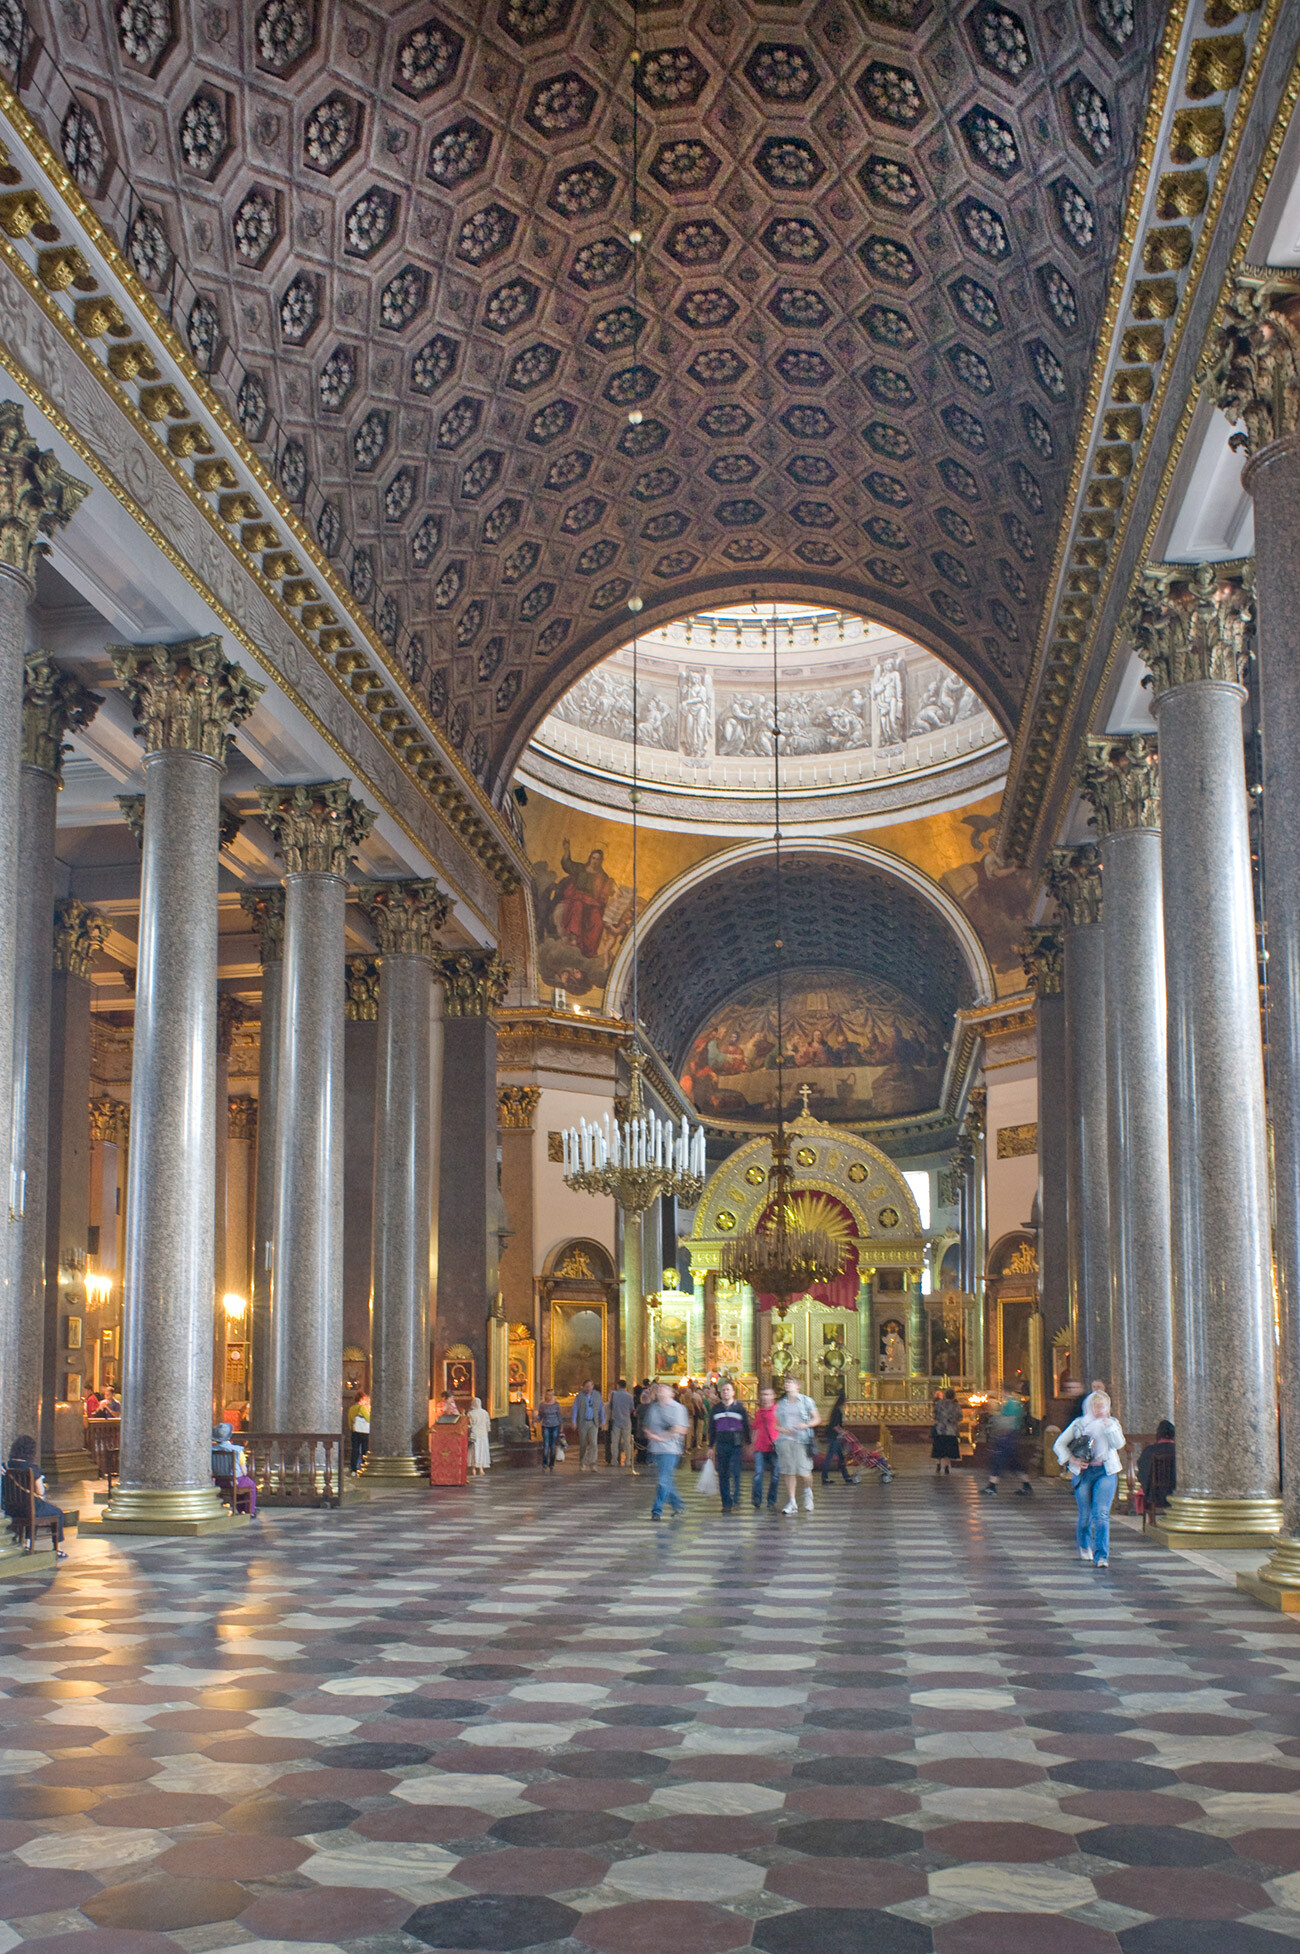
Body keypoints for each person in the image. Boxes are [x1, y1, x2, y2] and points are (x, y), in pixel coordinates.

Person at [1054, 1388, 1126, 1568]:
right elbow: (1059, 1444)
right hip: (1085, 1473)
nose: (1100, 1411)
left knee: (1101, 1514)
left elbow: (1118, 1444)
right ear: (1090, 1408)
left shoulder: (1113, 1424)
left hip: (1105, 1472)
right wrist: (1071, 1459)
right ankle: (1084, 1544)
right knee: (1085, 1516)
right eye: (1097, 1407)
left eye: (1104, 1407)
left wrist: (1109, 1427)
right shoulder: (1079, 1424)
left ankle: (1101, 1555)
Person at [3, 1435, 67, 1556]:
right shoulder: (32, 1469)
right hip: (32, 1507)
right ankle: (57, 1548)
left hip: (12, 1509)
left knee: (30, 1510)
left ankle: (27, 1543)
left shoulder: (6, 1466)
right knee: (57, 1512)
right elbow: (40, 1491)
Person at [644, 1381, 690, 1519]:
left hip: (670, 1450)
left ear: (671, 1393)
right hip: (655, 1450)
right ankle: (679, 1505)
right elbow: (647, 1426)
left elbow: (682, 1429)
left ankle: (656, 1510)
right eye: (659, 1390)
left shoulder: (678, 1408)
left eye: (664, 1389)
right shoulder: (654, 1408)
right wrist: (650, 1434)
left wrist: (663, 1437)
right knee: (665, 1480)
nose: (661, 1392)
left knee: (663, 1480)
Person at [776, 1374, 819, 1515]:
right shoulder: (781, 1404)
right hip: (785, 1440)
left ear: (798, 1386)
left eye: (791, 1382)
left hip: (802, 1439)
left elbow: (817, 1419)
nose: (787, 1384)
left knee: (805, 1472)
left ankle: (808, 1492)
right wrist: (783, 1430)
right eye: (786, 1382)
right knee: (789, 1471)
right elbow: (774, 1424)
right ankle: (792, 1501)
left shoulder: (807, 1401)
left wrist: (806, 1425)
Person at [708, 1380, 751, 1512]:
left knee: (736, 1471)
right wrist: (710, 1446)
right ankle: (726, 1501)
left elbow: (746, 1427)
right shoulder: (716, 1409)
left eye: (728, 1390)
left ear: (733, 1392)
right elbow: (712, 1428)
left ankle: (736, 1494)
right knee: (723, 1473)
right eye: (723, 1390)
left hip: (736, 1444)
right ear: (720, 1393)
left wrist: (748, 1443)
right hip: (722, 1443)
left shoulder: (740, 1408)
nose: (725, 1392)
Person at [982, 1388, 1033, 1496]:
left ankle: (992, 1486)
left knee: (998, 1460)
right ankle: (1027, 1485)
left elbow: (1007, 1420)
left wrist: (996, 1421)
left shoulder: (1010, 1404)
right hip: (1012, 1436)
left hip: (1007, 1436)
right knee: (1015, 1463)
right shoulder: (1016, 1403)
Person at [211, 1422, 257, 1515]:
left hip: (218, 1481)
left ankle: (241, 1509)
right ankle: (250, 1511)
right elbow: (244, 1472)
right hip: (235, 1480)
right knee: (251, 1485)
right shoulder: (237, 1450)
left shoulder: (212, 1450)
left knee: (242, 1485)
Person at [1136, 1419, 1176, 1509]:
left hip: (1154, 1494)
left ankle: (1150, 1519)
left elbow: (1142, 1471)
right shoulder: (1178, 1451)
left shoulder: (1149, 1450)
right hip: (1175, 1492)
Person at [752, 1385, 780, 1510]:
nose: (765, 1397)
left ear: (773, 1396)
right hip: (760, 1447)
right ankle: (757, 1498)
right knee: (758, 1474)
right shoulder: (759, 1412)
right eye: (763, 1395)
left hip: (775, 1447)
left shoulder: (779, 1411)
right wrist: (752, 1445)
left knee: (775, 1475)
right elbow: (755, 1429)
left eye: (768, 1394)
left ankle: (771, 1500)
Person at [571, 1379, 606, 1471]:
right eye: (586, 1386)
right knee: (583, 1443)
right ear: (583, 1387)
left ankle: (593, 1463)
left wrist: (603, 1420)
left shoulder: (597, 1395)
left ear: (592, 1386)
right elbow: (575, 1408)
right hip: (583, 1422)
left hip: (593, 1422)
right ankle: (582, 1462)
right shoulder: (579, 1396)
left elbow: (601, 1408)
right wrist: (574, 1421)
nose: (588, 1388)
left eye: (590, 1386)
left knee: (594, 1443)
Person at [821, 1389, 852, 1487]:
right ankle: (824, 1477)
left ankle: (846, 1476)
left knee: (841, 1457)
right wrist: (842, 1432)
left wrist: (842, 1432)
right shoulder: (837, 1411)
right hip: (834, 1437)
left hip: (835, 1436)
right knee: (830, 1457)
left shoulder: (836, 1410)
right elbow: (835, 1425)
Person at [932, 1388, 961, 1476]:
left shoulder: (939, 1404)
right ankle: (947, 1466)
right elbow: (960, 1417)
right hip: (951, 1431)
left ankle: (938, 1464)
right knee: (948, 1450)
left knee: (939, 1448)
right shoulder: (956, 1405)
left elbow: (934, 1415)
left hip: (940, 1430)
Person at [609, 1377, 636, 1471]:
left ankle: (614, 1460)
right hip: (626, 1421)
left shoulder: (613, 1394)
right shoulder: (629, 1396)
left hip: (616, 1421)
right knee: (627, 1442)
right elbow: (632, 1409)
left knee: (615, 1442)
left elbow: (610, 1406)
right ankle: (627, 1460)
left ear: (618, 1385)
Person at [538, 1389, 563, 1470]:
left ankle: (551, 1463)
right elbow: (540, 1415)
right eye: (547, 1395)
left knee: (553, 1445)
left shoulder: (556, 1405)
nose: (548, 1397)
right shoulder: (542, 1405)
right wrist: (535, 1419)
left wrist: (561, 1426)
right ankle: (544, 1463)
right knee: (546, 1444)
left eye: (550, 1395)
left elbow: (559, 1415)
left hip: (555, 1426)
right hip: (546, 1426)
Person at [466, 1396, 491, 1475]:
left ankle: (473, 1468)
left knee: (474, 1451)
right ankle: (481, 1469)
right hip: (483, 1434)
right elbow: (488, 1424)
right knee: (482, 1451)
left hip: (474, 1434)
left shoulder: (470, 1413)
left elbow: (468, 1425)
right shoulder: (485, 1412)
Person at [347, 1393, 370, 1475]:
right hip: (364, 1432)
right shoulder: (362, 1408)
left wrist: (352, 1429)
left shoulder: (351, 1408)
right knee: (365, 1449)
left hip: (354, 1431)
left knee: (355, 1450)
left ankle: (353, 1468)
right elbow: (368, 1418)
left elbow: (350, 1421)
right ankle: (364, 1466)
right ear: (361, 1399)